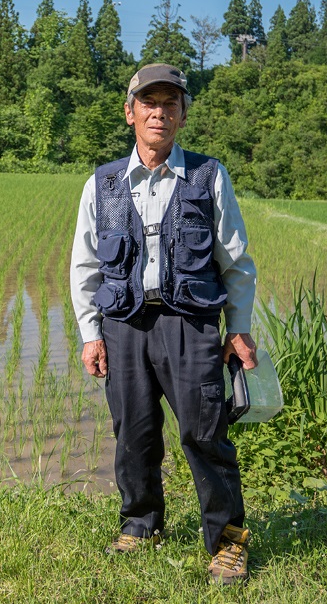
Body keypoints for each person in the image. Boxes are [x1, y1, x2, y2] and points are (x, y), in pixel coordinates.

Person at [69, 62, 259, 585]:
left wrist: (237, 328)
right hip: (123, 326)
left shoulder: (206, 175)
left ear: (182, 116)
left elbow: (236, 261)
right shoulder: (102, 183)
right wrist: (90, 334)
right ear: (130, 113)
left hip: (191, 324)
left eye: (170, 104)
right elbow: (84, 266)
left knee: (205, 433)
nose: (159, 112)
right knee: (134, 431)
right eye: (148, 103)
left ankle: (227, 543)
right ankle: (140, 525)